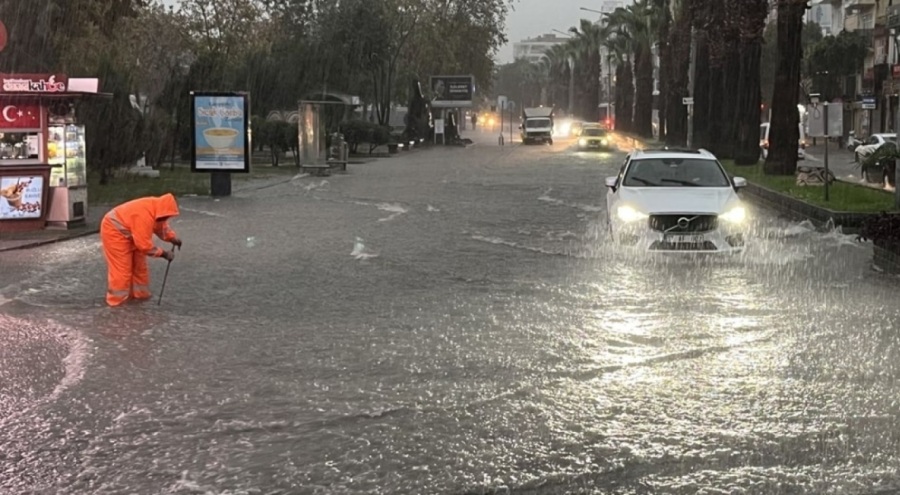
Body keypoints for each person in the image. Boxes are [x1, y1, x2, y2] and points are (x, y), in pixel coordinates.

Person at [100, 193, 182, 307]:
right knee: (122, 270)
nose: (166, 219)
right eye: (166, 217)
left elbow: (160, 226)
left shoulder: (157, 210)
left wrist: (172, 238)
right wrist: (164, 254)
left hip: (131, 231)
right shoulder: (144, 216)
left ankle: (140, 296)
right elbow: (144, 247)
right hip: (114, 232)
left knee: (140, 268)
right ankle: (117, 303)